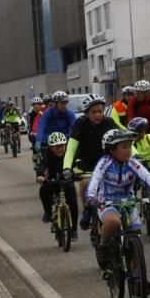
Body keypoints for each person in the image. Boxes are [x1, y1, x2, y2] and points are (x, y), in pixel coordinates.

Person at [85, 129, 150, 272]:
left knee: (136, 238)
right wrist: (90, 196)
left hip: (129, 202)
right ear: (112, 150)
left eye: (130, 146)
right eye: (124, 147)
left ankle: (137, 279)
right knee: (114, 221)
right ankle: (103, 246)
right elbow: (95, 178)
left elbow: (146, 176)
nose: (129, 150)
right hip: (108, 202)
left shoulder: (132, 163)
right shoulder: (105, 162)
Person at [62, 93, 124, 232]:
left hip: (106, 162)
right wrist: (67, 168)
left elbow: (124, 143)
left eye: (100, 111)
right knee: (85, 182)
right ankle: (87, 210)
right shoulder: (80, 124)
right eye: (93, 112)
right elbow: (71, 149)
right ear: (86, 113)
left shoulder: (109, 123)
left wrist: (135, 157)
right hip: (87, 163)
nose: (97, 115)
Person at [35, 131, 78, 240]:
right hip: (53, 181)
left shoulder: (69, 154)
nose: (60, 149)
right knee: (43, 190)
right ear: (51, 148)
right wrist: (40, 175)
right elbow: (42, 165)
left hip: (67, 182)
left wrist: (78, 174)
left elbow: (78, 163)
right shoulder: (48, 155)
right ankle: (48, 212)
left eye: (62, 146)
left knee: (73, 203)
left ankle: (73, 230)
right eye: (56, 147)